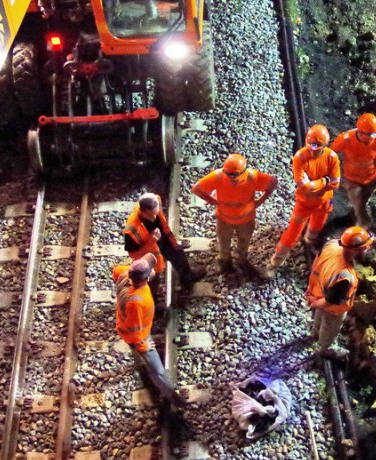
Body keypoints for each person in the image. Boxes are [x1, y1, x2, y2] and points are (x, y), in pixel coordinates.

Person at [263, 125, 341, 278]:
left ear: (325, 145)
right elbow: (305, 187)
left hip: (324, 202)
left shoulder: (331, 157)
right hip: (305, 203)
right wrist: (325, 181)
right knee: (291, 233)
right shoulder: (300, 157)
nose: (313, 149)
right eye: (311, 144)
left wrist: (317, 184)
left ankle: (310, 241)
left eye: (318, 146)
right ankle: (275, 263)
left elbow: (336, 183)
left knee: (317, 226)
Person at [112, 253, 185, 406]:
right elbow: (133, 329)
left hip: (129, 323)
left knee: (142, 355)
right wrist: (143, 345)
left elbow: (116, 271)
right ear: (144, 280)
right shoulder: (137, 302)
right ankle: (171, 396)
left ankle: (139, 360)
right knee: (157, 369)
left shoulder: (124, 273)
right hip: (137, 335)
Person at [191, 154, 278, 274]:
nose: (230, 177)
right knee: (223, 243)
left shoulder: (252, 177)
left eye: (234, 174)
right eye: (228, 173)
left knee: (244, 242)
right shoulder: (218, 177)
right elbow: (196, 189)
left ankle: (241, 261)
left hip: (245, 220)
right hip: (224, 219)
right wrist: (212, 201)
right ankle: (225, 262)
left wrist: (260, 201)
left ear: (243, 171)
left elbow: (273, 183)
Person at [306, 226, 376, 359]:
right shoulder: (344, 276)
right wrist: (315, 304)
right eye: (365, 247)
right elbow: (330, 301)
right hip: (332, 307)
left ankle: (314, 333)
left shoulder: (332, 244)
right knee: (329, 326)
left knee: (319, 316)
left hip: (318, 290)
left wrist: (313, 296)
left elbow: (317, 260)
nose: (367, 249)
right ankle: (324, 348)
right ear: (355, 250)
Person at [123, 192, 205, 288]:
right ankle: (153, 297)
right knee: (152, 278)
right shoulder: (131, 229)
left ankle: (187, 278)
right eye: (151, 215)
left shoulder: (156, 200)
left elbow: (162, 224)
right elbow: (133, 254)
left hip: (163, 242)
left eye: (156, 214)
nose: (154, 218)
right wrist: (151, 241)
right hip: (149, 255)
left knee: (179, 254)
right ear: (142, 211)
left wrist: (172, 242)